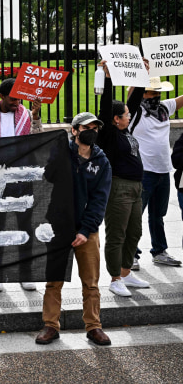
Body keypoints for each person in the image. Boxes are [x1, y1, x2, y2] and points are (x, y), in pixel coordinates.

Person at [36, 112, 112, 347]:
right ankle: (50, 325)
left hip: (86, 231)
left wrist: (86, 230)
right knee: (54, 280)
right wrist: (57, 155)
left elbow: (100, 200)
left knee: (91, 282)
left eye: (95, 128)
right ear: (75, 131)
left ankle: (93, 326)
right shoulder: (61, 152)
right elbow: (47, 176)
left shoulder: (101, 161)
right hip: (59, 227)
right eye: (87, 127)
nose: (92, 131)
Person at [0, 78, 42, 292]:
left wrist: (36, 116)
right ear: (2, 96)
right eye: (13, 99)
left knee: (24, 226)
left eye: (19, 99)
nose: (17, 103)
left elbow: (38, 140)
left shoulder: (26, 116)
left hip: (22, 180)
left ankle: (26, 274)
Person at [97, 61, 149, 297]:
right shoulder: (107, 134)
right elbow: (105, 109)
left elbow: (134, 103)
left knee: (134, 233)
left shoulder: (125, 130)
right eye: (125, 115)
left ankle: (126, 272)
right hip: (118, 187)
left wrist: (141, 76)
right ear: (115, 119)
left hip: (137, 187)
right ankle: (115, 277)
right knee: (117, 234)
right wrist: (108, 79)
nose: (130, 116)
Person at [129, 75, 183, 268]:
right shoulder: (135, 112)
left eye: (159, 92)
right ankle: (131, 254)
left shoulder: (163, 109)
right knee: (135, 215)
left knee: (157, 214)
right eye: (153, 92)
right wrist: (139, 76)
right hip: (144, 171)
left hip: (163, 170)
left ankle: (159, 251)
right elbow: (131, 97)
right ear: (143, 94)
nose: (157, 95)